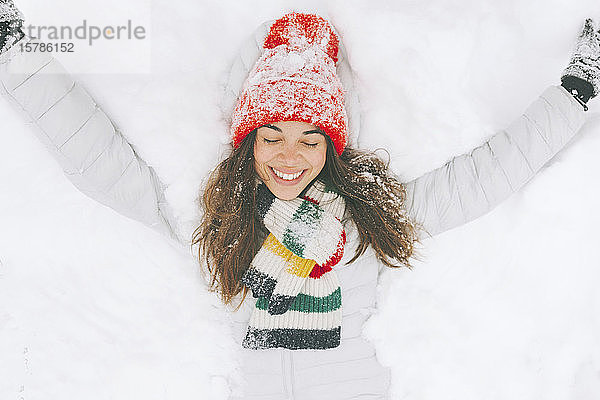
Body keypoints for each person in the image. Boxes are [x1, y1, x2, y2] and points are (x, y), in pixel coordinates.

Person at [1, 2, 599, 399]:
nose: (290, 157)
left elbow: (489, 174)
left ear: (333, 147)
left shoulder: (368, 216)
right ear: (248, 143)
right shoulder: (216, 219)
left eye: (310, 138)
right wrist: (17, 56)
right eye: (272, 136)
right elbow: (97, 158)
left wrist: (578, 89)